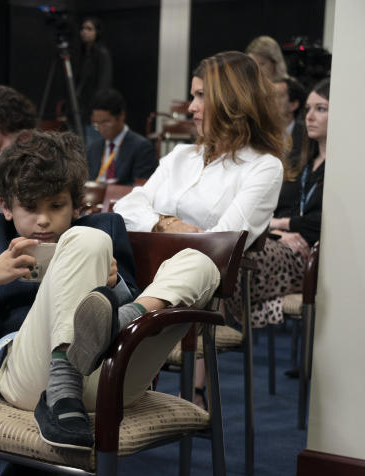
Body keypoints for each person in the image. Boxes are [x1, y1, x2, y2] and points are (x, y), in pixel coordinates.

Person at [0, 130, 219, 476]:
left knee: (203, 264)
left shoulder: (105, 227)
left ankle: (119, 322)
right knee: (84, 243)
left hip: (109, 373)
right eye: (30, 207)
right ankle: (63, 382)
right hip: (30, 376)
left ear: (77, 205)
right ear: (6, 206)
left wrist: (118, 286)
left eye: (56, 206)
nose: (43, 220)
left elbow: (132, 292)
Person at [113, 51, 284, 404]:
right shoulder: (181, 157)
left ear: (232, 101)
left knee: (196, 262)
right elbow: (126, 206)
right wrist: (168, 224)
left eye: (201, 95)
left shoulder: (263, 167)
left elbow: (220, 244)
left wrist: (162, 230)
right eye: (193, 95)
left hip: (198, 295)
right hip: (139, 276)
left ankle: (126, 321)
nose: (190, 107)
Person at [259, 78, 329, 326]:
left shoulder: (343, 169)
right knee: (232, 253)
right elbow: (282, 210)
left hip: (315, 258)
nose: (309, 116)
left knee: (235, 259)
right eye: (308, 109)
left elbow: (323, 224)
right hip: (286, 246)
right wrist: (278, 230)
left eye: (321, 109)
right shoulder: (305, 164)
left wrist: (281, 224)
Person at [87, 88, 157, 185]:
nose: (101, 129)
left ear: (121, 116)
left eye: (105, 122)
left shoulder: (142, 147)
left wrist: (111, 190)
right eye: (96, 124)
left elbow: (141, 186)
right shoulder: (94, 148)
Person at [74, 17, 112, 126]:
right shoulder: (81, 53)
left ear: (97, 32)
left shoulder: (102, 53)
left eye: (89, 29)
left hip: (93, 107)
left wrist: (96, 109)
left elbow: (104, 83)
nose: (84, 31)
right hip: (79, 107)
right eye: (83, 28)